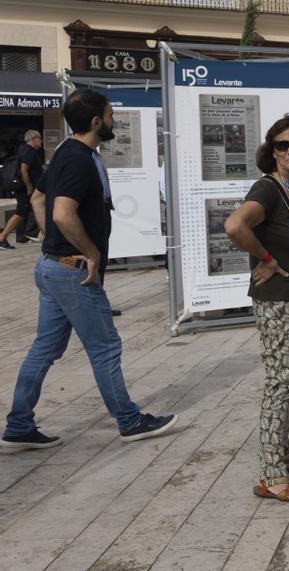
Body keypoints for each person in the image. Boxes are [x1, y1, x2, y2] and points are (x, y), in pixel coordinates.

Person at [1, 90, 177, 451]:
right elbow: (62, 213)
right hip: (73, 272)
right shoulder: (79, 160)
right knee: (106, 347)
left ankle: (18, 426)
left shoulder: (69, 151)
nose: (113, 120)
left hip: (54, 266)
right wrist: (90, 252)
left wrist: (54, 244)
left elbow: (38, 198)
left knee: (44, 348)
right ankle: (129, 421)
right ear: (96, 121)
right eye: (111, 115)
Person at [224, 115, 289, 501]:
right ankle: (271, 475)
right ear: (271, 150)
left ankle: (283, 452)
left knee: (288, 379)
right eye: (282, 145)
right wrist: (265, 257)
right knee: (279, 384)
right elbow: (235, 226)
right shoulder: (267, 189)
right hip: (279, 301)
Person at [0, 130, 44, 250]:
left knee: (25, 211)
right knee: (21, 213)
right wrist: (29, 186)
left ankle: (30, 234)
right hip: (25, 189)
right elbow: (24, 170)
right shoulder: (29, 151)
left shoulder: (23, 149)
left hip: (24, 188)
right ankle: (2, 238)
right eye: (40, 139)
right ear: (34, 139)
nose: (41, 141)